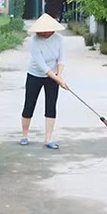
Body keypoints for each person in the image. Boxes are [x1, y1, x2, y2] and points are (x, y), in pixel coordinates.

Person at [21, 13, 69, 149]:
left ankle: (48, 139)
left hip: (53, 76)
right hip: (35, 75)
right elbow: (42, 66)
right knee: (29, 104)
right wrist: (58, 80)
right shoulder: (34, 41)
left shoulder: (59, 39)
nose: (42, 33)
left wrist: (59, 76)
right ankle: (24, 135)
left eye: (45, 31)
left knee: (51, 106)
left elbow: (61, 59)